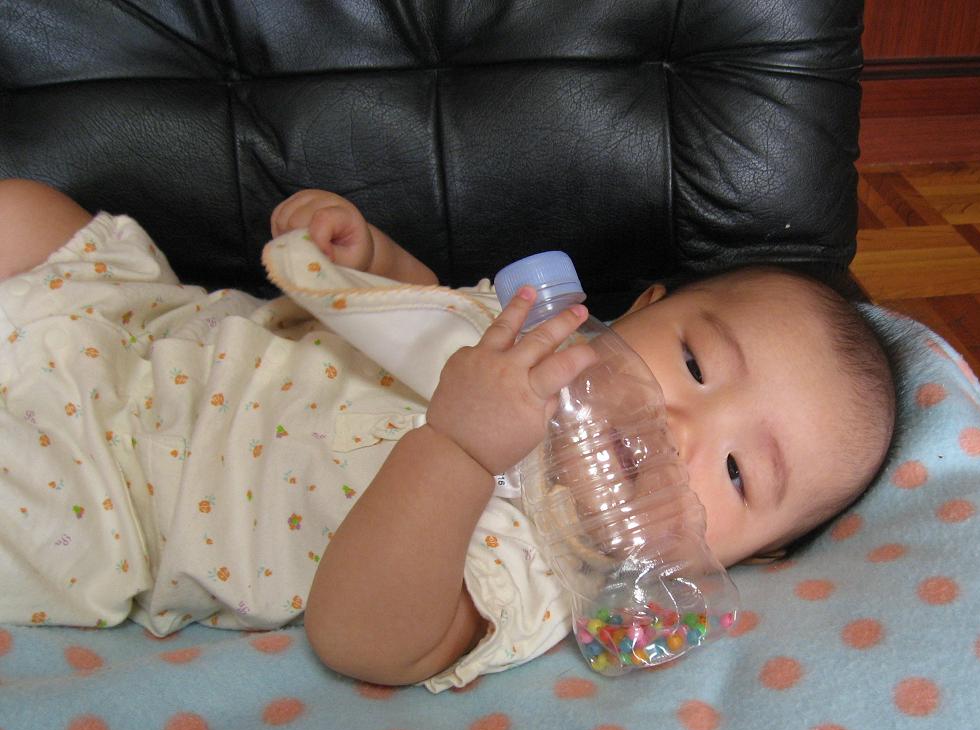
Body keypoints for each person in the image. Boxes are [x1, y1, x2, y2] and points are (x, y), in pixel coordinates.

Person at [0, 180, 895, 690]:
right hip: (148, 334)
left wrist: (461, 450)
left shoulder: (539, 573)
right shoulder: (522, 337)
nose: (679, 427)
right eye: (693, 363)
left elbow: (363, 638)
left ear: (742, 558)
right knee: (28, 213)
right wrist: (367, 259)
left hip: (104, 494)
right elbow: (424, 312)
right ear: (638, 309)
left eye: (737, 472)